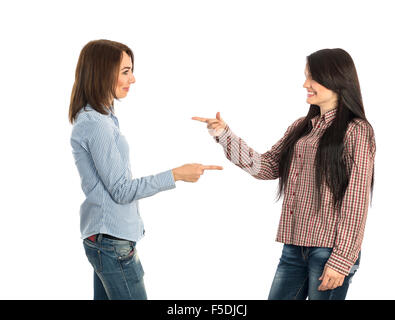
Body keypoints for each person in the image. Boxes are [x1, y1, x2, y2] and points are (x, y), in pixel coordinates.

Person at [193, 48, 376, 300]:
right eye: (306, 77)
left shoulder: (356, 130)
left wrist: (342, 259)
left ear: (335, 78)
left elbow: (356, 199)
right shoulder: (301, 128)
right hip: (294, 247)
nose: (305, 84)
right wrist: (224, 135)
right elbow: (266, 166)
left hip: (329, 251)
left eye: (312, 78)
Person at [69, 39, 222, 300]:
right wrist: (177, 174)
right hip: (112, 241)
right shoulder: (96, 124)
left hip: (107, 239)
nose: (133, 79)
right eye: (125, 72)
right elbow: (122, 190)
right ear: (102, 72)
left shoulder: (102, 118)